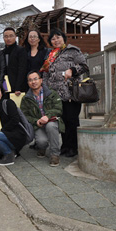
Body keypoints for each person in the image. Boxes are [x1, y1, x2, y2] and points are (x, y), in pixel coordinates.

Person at [40, 29, 88, 158]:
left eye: (58, 37)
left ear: (63, 38)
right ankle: (65, 146)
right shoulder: (50, 55)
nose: (56, 40)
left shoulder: (73, 50)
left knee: (72, 120)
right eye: (53, 39)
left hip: (71, 93)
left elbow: (84, 66)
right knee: (61, 121)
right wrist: (45, 88)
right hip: (56, 95)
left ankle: (73, 147)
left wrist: (72, 70)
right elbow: (45, 73)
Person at [21, 71, 64, 167]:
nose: (33, 82)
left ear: (41, 80)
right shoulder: (26, 99)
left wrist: (47, 116)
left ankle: (54, 154)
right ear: (28, 83)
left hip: (51, 121)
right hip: (38, 125)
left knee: (51, 126)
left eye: (35, 79)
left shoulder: (51, 93)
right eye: (30, 80)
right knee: (41, 142)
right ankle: (42, 148)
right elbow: (24, 115)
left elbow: (58, 109)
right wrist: (36, 121)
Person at [0, 81, 28, 166]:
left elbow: (15, 120)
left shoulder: (8, 103)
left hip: (17, 135)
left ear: (2, 93)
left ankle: (9, 156)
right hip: (3, 136)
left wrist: (0, 131)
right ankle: (12, 151)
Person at [0, 27, 27, 95]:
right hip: (5, 87)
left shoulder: (21, 50)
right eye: (6, 36)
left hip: (18, 88)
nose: (8, 38)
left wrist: (18, 87)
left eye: (11, 36)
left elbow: (22, 70)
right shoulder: (2, 52)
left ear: (15, 37)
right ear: (3, 38)